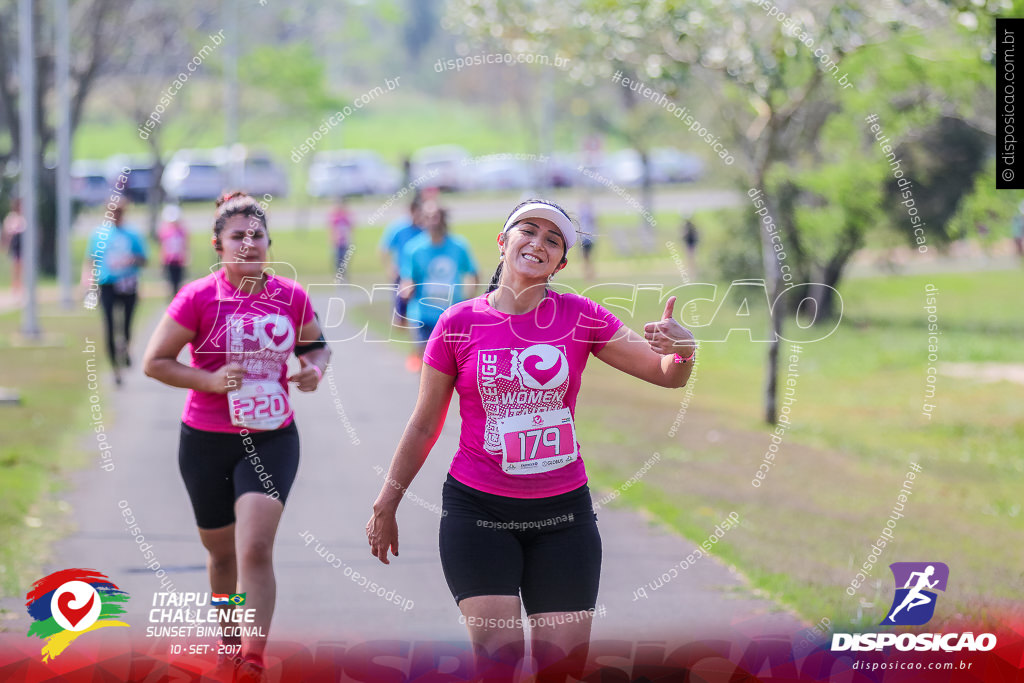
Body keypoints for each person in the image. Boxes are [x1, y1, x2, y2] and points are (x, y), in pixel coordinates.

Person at [366, 199, 696, 681]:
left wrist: (685, 351)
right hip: (478, 512)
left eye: (553, 240)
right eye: (529, 230)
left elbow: (663, 374)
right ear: (503, 241)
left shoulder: (580, 316)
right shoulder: (457, 324)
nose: (538, 243)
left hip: (563, 518)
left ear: (561, 263)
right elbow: (424, 424)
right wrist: (385, 503)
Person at [142, 191, 331, 683]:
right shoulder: (198, 297)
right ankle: (228, 643)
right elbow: (154, 362)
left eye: (257, 236)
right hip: (205, 439)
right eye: (237, 237)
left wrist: (312, 370)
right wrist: (207, 380)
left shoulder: (291, 296)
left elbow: (317, 348)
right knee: (222, 553)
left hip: (271, 435)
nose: (248, 245)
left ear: (270, 242)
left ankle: (252, 658)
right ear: (217, 245)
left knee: (253, 546)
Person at [398, 202, 479, 368]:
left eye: (436, 216)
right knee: (426, 361)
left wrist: (468, 299)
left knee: (452, 364)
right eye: (428, 217)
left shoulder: (458, 246)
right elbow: (407, 278)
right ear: (422, 220)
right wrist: (403, 299)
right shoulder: (414, 249)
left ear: (443, 219)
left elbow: (473, 273)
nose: (432, 221)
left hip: (451, 316)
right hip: (422, 314)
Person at [81, 197, 148, 385]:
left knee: (126, 326)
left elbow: (144, 259)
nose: (116, 216)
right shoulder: (99, 235)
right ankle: (115, 369)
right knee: (110, 326)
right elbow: (90, 260)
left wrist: (132, 260)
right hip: (107, 284)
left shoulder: (132, 234)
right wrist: (87, 284)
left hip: (128, 284)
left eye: (119, 212)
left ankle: (125, 348)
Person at [378, 194, 425, 371]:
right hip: (402, 276)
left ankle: (418, 352)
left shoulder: (424, 228)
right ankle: (415, 349)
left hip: (420, 277)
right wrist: (390, 268)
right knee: (401, 320)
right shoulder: (399, 228)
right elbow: (384, 249)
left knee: (418, 314)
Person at [158, 204, 189, 297]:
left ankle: (177, 296)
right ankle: (172, 296)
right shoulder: (165, 231)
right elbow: (163, 247)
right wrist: (162, 260)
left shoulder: (182, 231)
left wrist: (186, 258)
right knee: (170, 281)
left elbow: (185, 246)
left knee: (179, 280)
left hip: (179, 261)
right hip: (169, 261)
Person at [2, 198, 25, 297]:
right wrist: (5, 244)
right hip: (15, 245)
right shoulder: (11, 217)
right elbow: (7, 232)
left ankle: (20, 287)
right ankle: (15, 288)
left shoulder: (23, 217)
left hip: (22, 245)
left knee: (21, 267)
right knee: (15, 266)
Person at [328, 198, 354, 282]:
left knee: (344, 261)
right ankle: (339, 277)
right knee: (337, 261)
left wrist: (351, 240)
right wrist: (332, 240)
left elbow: (351, 229)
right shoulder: (335, 217)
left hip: (345, 242)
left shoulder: (346, 217)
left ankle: (344, 277)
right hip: (337, 243)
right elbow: (331, 230)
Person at [578, 199, 596, 280]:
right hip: (587, 238)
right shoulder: (589, 216)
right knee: (587, 258)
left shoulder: (584, 215)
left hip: (586, 238)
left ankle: (589, 274)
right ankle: (589, 274)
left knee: (586, 258)